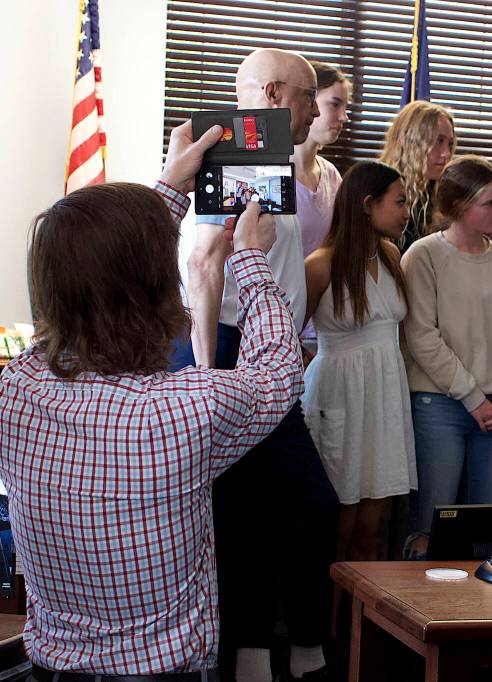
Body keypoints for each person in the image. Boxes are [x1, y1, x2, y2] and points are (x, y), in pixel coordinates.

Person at [0, 121, 292, 676]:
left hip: (51, 671)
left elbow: (94, 279)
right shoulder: (188, 409)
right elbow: (278, 369)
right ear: (158, 291)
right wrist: (250, 258)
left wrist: (168, 188)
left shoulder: (16, 389)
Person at [175, 48, 338, 682]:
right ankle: (272, 653)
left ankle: (277, 650)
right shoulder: (238, 155)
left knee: (276, 506)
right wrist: (210, 373)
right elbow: (206, 265)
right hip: (231, 349)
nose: (314, 109)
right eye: (308, 95)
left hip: (267, 349)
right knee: (269, 505)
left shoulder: (271, 160)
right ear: (276, 95)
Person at [401, 155, 492, 557]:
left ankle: (477, 616)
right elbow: (423, 337)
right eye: (489, 203)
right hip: (439, 405)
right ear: (457, 206)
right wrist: (472, 398)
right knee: (430, 526)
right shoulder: (423, 256)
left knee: (488, 527)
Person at [302, 161, 417, 560]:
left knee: (374, 526)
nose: (407, 212)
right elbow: (284, 335)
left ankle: (361, 621)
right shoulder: (320, 265)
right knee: (340, 525)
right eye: (399, 202)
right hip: (340, 393)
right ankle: (326, 622)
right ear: (368, 204)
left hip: (385, 395)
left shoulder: (391, 255)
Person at [292, 61, 350, 353]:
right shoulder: (270, 174)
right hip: (280, 326)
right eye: (335, 104)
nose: (343, 116)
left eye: (345, 107)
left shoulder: (332, 175)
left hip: (322, 331)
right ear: (309, 103)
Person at [379, 100, 456, 252]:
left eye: (449, 144)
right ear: (407, 141)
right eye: (438, 141)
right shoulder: (379, 192)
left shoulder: (445, 198)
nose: (446, 154)